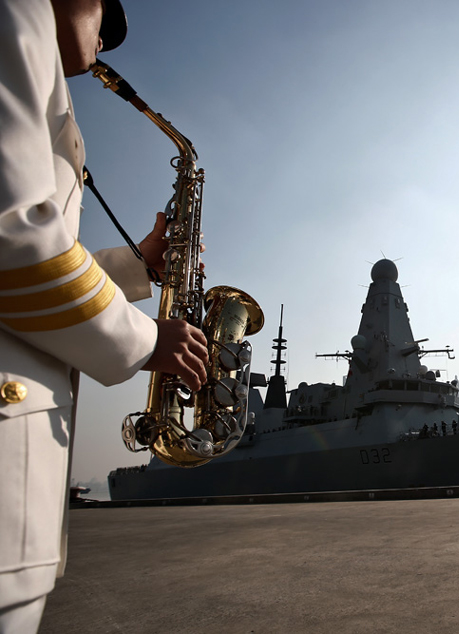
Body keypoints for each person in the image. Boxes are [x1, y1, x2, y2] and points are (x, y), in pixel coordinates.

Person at [0, 1, 209, 630]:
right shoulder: (16, 16)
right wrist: (146, 339)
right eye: (105, 20)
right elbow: (14, 239)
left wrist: (139, 266)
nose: (104, 43)